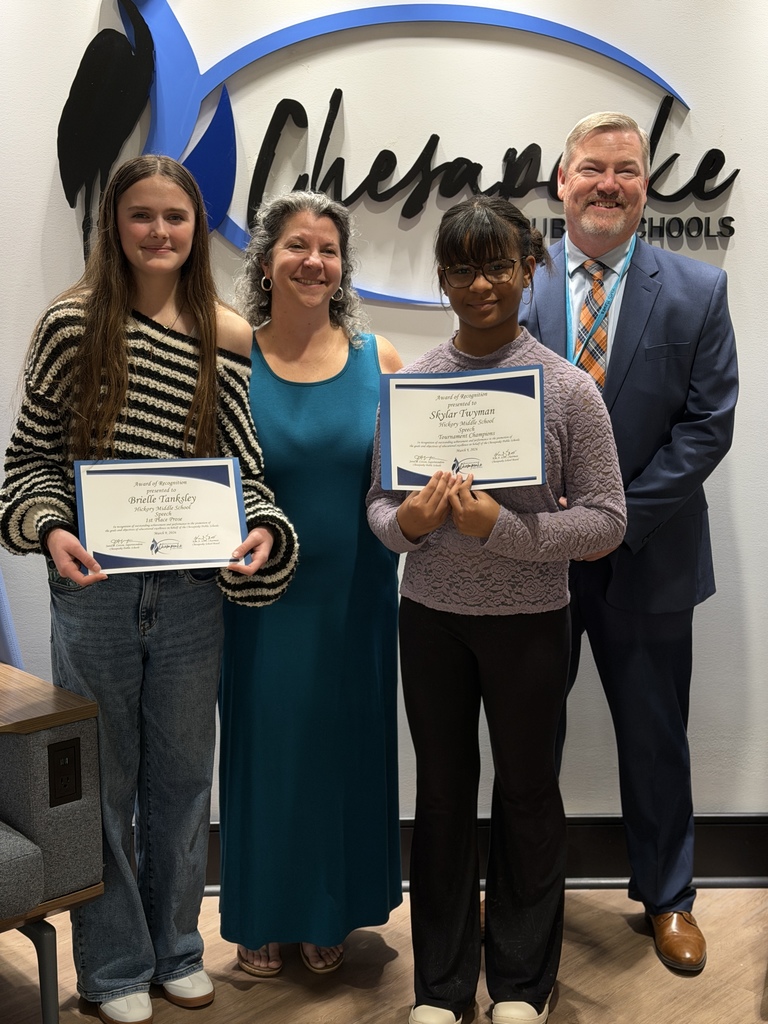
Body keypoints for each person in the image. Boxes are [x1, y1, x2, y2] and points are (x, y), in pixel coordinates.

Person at [0, 155, 298, 1024]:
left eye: (176, 217)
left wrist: (262, 530)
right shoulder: (69, 324)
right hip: (92, 591)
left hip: (192, 598)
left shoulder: (224, 332)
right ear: (114, 225)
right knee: (102, 781)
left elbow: (248, 472)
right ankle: (115, 967)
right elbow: (28, 463)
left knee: (179, 780)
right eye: (143, 215)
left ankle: (176, 949)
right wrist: (53, 529)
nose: (160, 232)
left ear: (195, 229)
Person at [366, 196, 627, 1024]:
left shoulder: (568, 388)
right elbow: (379, 505)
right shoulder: (414, 387)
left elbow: (607, 522)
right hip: (432, 620)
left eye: (499, 266)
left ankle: (520, 983)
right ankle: (440, 988)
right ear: (442, 280)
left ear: (529, 269)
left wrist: (502, 530)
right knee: (442, 799)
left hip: (529, 626)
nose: (482, 284)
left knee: (525, 794)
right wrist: (406, 524)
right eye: (463, 269)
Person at [520, 111, 738, 972]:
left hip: (648, 556)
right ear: (561, 182)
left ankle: (669, 896)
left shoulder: (696, 289)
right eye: (591, 168)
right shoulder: (519, 284)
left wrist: (616, 522)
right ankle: (529, 899)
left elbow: (707, 427)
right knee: (531, 739)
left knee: (656, 736)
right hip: (534, 560)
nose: (608, 183)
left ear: (646, 187)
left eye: (626, 169)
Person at [218, 191, 403, 979]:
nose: (313, 261)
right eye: (297, 245)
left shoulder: (382, 359)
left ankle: (331, 910)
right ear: (266, 261)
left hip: (358, 593)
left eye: (328, 250)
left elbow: (402, 480)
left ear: (342, 267)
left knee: (343, 747)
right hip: (261, 599)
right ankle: (264, 912)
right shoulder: (230, 356)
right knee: (267, 751)